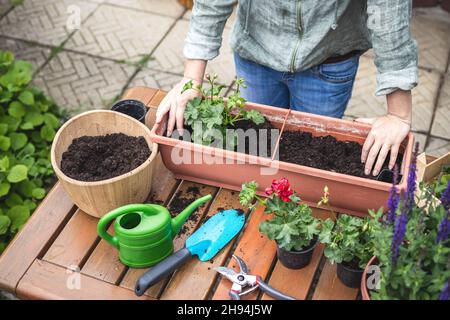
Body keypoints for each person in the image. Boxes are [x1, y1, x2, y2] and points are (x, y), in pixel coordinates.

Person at [155, 0, 417, 177]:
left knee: (312, 157)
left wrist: (398, 113)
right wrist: (191, 82)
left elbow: (389, 15)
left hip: (329, 59)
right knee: (257, 147)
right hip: (256, 54)